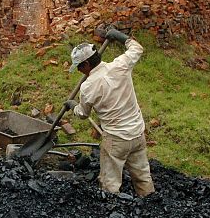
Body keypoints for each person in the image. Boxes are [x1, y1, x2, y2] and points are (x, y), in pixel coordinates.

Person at [64, 27, 155, 197]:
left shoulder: (88, 86)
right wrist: (121, 37)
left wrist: (73, 106)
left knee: (110, 183)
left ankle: (113, 214)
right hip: (137, 133)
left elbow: (83, 114)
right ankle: (149, 203)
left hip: (116, 140)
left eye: (79, 67)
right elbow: (137, 48)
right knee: (142, 175)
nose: (78, 71)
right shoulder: (120, 66)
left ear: (86, 64)